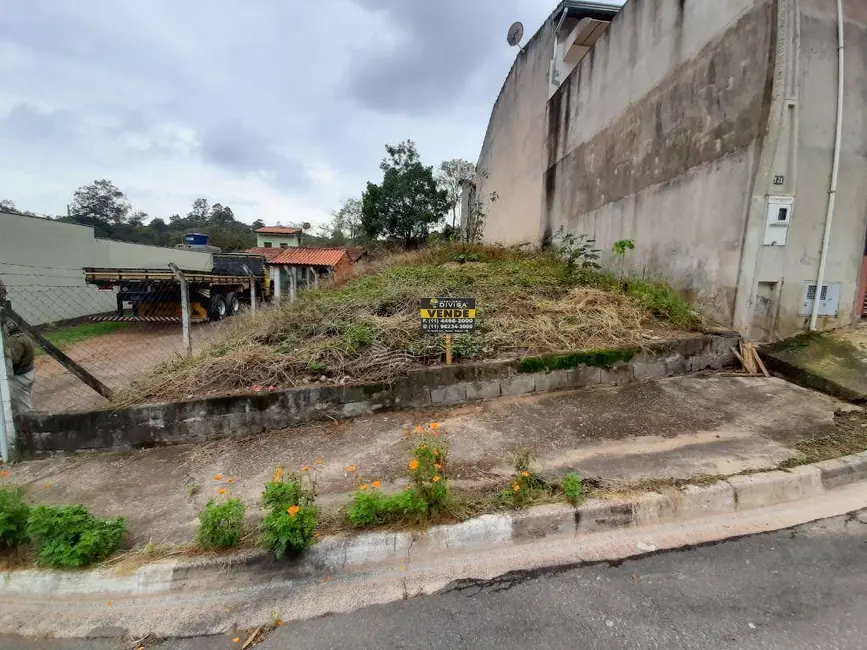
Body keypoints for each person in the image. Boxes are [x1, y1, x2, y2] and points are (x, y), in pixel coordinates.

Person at [0, 279, 35, 412]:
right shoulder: (8, 316)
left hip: (18, 373)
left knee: (19, 411)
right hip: (24, 369)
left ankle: (27, 428)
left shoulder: (6, 320)